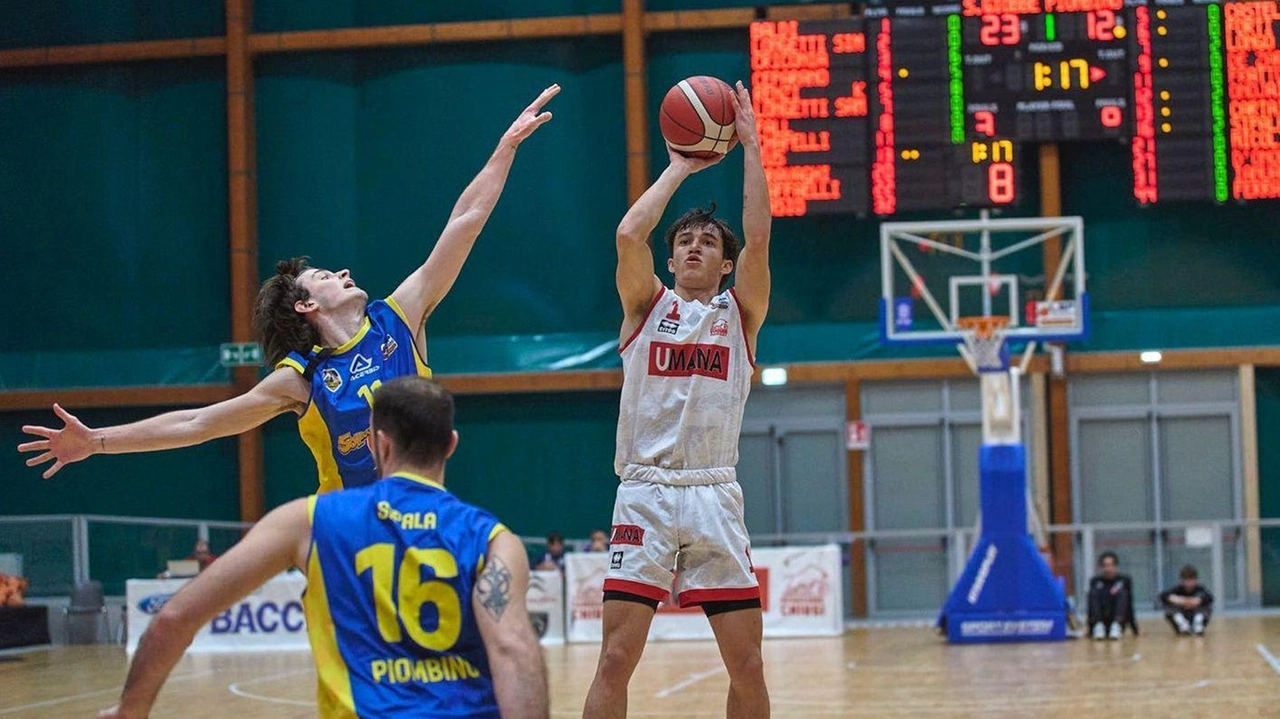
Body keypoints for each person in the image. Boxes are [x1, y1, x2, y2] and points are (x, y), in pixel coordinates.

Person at [20, 86, 560, 495]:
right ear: (306, 306)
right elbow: (197, 423)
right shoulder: (299, 382)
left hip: (423, 523)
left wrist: (505, 147)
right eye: (324, 276)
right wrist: (96, 441)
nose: (342, 272)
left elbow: (464, 220)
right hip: (346, 540)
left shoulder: (400, 318)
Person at [98, 376, 548, 719]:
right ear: (450, 445)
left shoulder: (310, 520)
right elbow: (515, 650)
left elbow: (175, 617)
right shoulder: (494, 540)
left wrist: (130, 711)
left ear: (379, 443)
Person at [583, 81, 770, 719]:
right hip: (645, 491)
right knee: (615, 658)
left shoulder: (740, 315)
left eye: (709, 243)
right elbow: (628, 235)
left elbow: (760, 237)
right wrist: (678, 167)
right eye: (685, 241)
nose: (694, 246)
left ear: (725, 265)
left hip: (715, 492)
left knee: (746, 664)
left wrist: (750, 147)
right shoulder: (645, 307)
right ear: (671, 261)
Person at [1086, 551, 1138, 640]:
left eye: (1110, 565)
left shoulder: (1124, 580)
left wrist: (1135, 629)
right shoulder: (1095, 581)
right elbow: (1091, 606)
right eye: (1105, 565)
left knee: (1123, 593)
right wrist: (1089, 629)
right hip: (1100, 620)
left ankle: (1116, 626)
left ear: (1115, 566)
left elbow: (1129, 604)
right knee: (1093, 593)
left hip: (1117, 620)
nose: (1108, 568)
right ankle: (1098, 627)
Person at [1160, 565, 1213, 636]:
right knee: (1169, 609)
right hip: (1182, 615)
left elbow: (1209, 598)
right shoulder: (1177, 589)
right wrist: (1181, 601)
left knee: (1206, 608)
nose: (1189, 583)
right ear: (1182, 581)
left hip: (1195, 614)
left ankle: (1198, 626)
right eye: (1187, 581)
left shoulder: (1200, 589)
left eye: (1192, 580)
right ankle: (1183, 627)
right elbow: (1163, 596)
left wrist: (1194, 602)